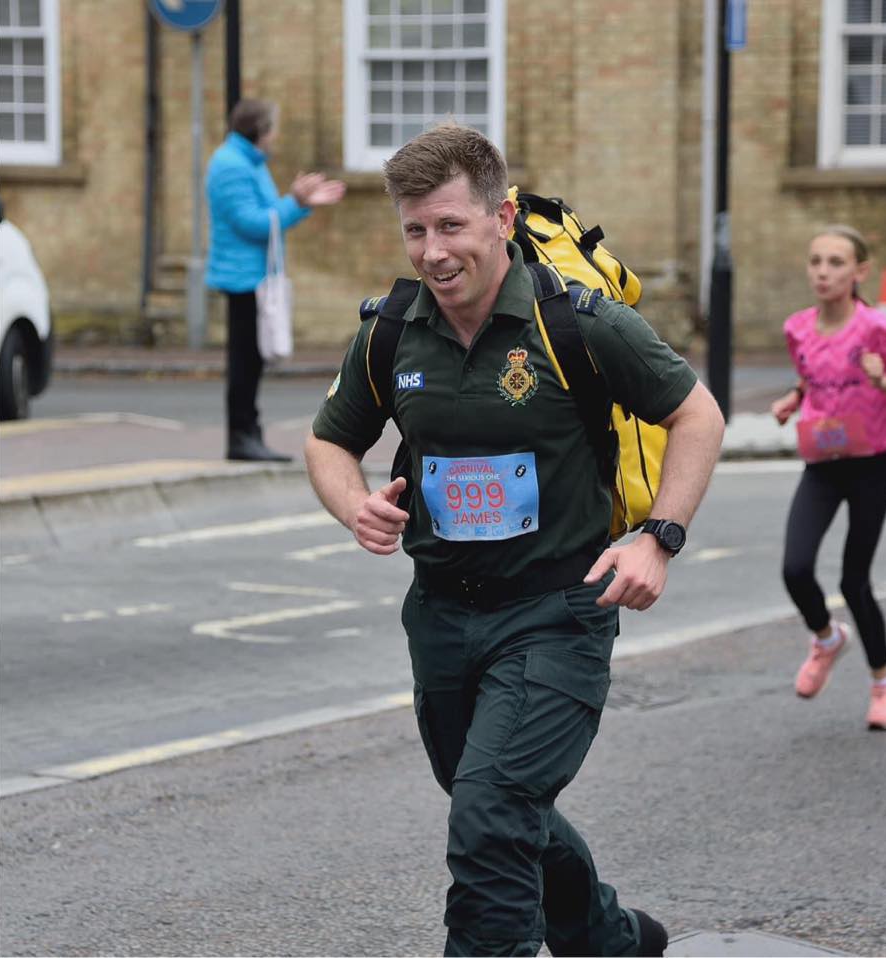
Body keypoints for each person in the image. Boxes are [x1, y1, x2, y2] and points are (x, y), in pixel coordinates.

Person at [305, 123, 724, 957]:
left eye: (451, 226)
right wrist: (352, 503)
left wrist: (658, 538)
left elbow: (695, 413)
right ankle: (605, 940)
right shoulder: (391, 332)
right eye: (416, 230)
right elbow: (329, 440)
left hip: (558, 613)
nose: (433, 251)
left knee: (489, 818)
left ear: (501, 217)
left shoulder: (576, 324)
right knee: (489, 800)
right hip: (442, 616)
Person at [771, 225, 886, 731]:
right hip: (823, 460)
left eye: (836, 263)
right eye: (816, 261)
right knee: (795, 568)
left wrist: (881, 379)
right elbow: (810, 373)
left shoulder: (877, 330)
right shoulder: (797, 327)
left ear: (859, 271)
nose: (823, 271)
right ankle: (825, 638)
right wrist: (794, 398)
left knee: (853, 579)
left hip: (870, 465)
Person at [206, 98, 346, 461]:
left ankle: (248, 433)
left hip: (256, 276)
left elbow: (271, 217)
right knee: (244, 360)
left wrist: (301, 204)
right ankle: (241, 437)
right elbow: (253, 223)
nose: (276, 136)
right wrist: (295, 201)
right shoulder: (230, 166)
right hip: (243, 278)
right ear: (260, 131)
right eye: (273, 128)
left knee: (252, 359)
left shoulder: (249, 164)